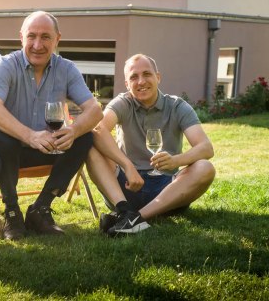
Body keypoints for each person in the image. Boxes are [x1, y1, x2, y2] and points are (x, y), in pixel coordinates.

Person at [0, 11, 102, 239]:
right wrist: (29, 136)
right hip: (10, 152)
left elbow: (95, 109)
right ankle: (12, 212)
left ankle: (41, 208)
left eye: (45, 37)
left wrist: (74, 130)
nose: (37, 45)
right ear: (21, 38)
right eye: (32, 36)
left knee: (84, 137)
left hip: (49, 147)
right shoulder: (7, 65)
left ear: (57, 39)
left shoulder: (66, 69)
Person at [86, 54, 215, 237]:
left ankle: (134, 218)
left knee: (205, 167)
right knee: (90, 148)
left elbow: (206, 148)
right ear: (127, 83)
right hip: (127, 186)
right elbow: (98, 130)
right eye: (133, 77)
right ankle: (124, 210)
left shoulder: (177, 106)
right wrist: (127, 166)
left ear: (158, 77)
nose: (141, 81)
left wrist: (176, 160)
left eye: (147, 74)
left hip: (166, 190)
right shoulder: (123, 103)